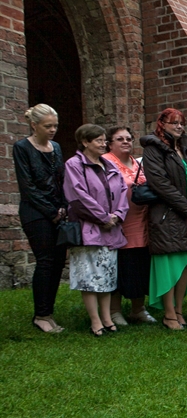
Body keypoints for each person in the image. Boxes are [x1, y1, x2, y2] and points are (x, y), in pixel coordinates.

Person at [141, 108, 187, 330]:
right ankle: (168, 314)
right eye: (173, 123)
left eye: (181, 123)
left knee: (185, 263)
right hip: (167, 214)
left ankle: (179, 310)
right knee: (170, 264)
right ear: (162, 124)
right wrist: (184, 207)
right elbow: (159, 182)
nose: (179, 126)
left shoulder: (186, 148)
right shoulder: (153, 148)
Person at [63, 124, 129, 336]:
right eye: (99, 141)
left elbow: (122, 191)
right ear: (85, 142)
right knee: (89, 277)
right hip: (88, 229)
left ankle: (107, 317)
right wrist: (102, 218)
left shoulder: (109, 165)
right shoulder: (74, 165)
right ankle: (95, 320)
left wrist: (118, 215)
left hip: (111, 229)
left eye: (104, 140)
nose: (103, 144)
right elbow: (78, 196)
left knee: (107, 275)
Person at [13, 104, 68, 333]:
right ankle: (41, 315)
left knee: (57, 262)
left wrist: (64, 207)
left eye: (55, 125)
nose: (53, 129)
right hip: (35, 213)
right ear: (34, 125)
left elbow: (62, 179)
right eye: (48, 126)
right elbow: (28, 187)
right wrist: (50, 212)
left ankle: (49, 311)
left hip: (57, 211)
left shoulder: (55, 147)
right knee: (45, 261)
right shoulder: (22, 147)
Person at [105, 126, 157, 326]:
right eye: (120, 139)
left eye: (128, 138)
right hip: (121, 223)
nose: (126, 142)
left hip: (142, 223)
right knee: (121, 267)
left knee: (140, 266)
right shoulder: (107, 162)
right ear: (110, 143)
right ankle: (115, 310)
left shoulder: (138, 163)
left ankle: (138, 309)